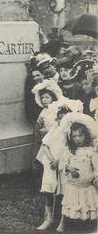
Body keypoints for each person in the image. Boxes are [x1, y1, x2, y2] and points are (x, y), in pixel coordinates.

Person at [36, 99, 83, 231]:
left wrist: (60, 162)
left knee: (64, 192)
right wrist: (52, 160)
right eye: (60, 118)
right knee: (48, 190)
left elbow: (70, 151)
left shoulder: (71, 134)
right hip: (51, 164)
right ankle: (48, 218)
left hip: (64, 165)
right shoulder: (54, 130)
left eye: (65, 118)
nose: (62, 121)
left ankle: (63, 221)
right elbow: (45, 145)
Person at [59, 114, 98, 233]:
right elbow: (63, 164)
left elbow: (96, 166)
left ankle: (94, 227)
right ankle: (64, 223)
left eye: (80, 135)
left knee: (90, 204)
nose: (77, 139)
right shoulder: (70, 152)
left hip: (87, 185)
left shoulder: (90, 151)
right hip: (73, 186)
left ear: (86, 135)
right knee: (70, 204)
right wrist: (69, 168)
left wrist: (96, 176)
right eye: (74, 136)